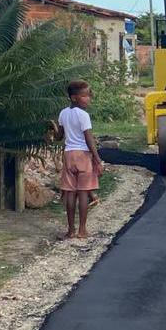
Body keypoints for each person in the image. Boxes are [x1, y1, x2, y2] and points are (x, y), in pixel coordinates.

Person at [53, 80, 103, 239]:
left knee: (69, 193)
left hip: (68, 154)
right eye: (85, 96)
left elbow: (59, 136)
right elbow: (89, 140)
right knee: (82, 193)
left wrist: (52, 130)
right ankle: (82, 230)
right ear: (74, 98)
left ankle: (70, 230)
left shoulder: (63, 113)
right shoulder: (84, 115)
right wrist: (97, 159)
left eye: (89, 96)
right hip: (83, 155)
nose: (88, 99)